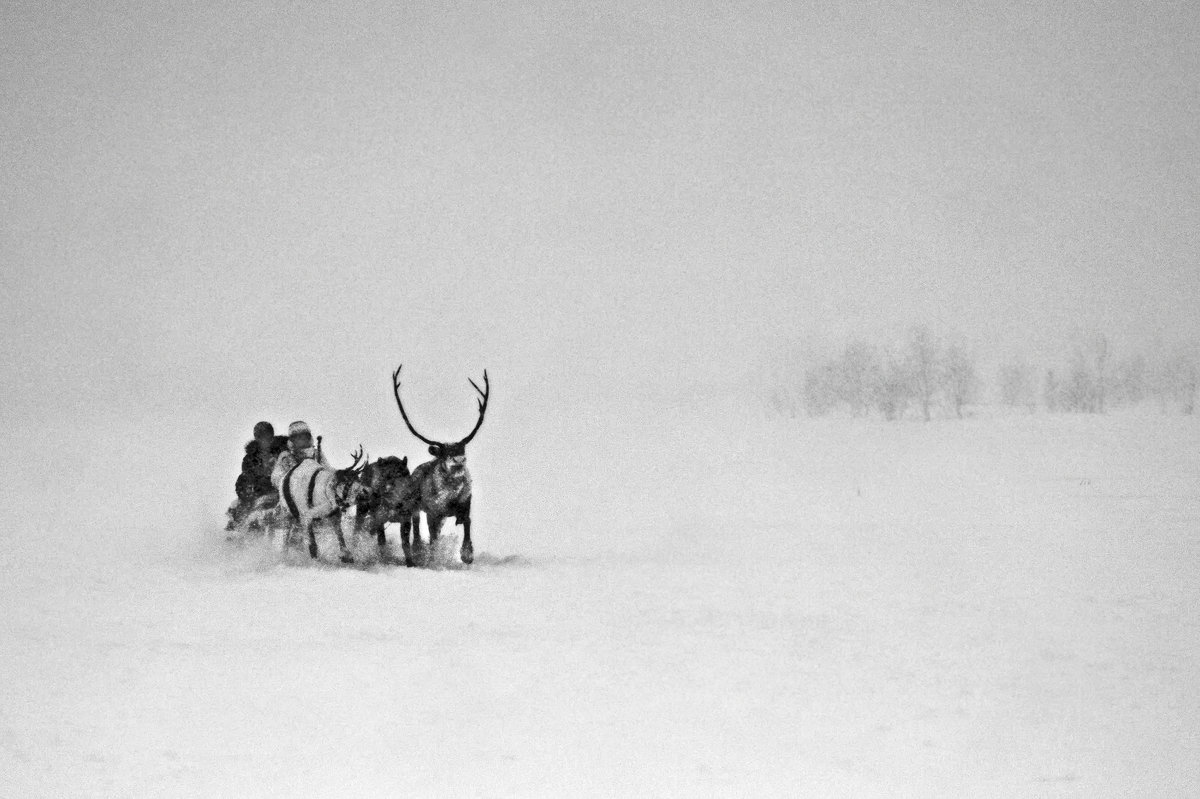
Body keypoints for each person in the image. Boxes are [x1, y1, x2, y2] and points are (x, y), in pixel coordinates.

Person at [226, 421, 289, 529]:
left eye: (268, 437)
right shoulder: (249, 459)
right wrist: (251, 492)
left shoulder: (283, 453)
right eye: (261, 438)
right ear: (256, 438)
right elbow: (246, 479)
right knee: (244, 514)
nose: (265, 441)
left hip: (282, 492)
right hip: (259, 494)